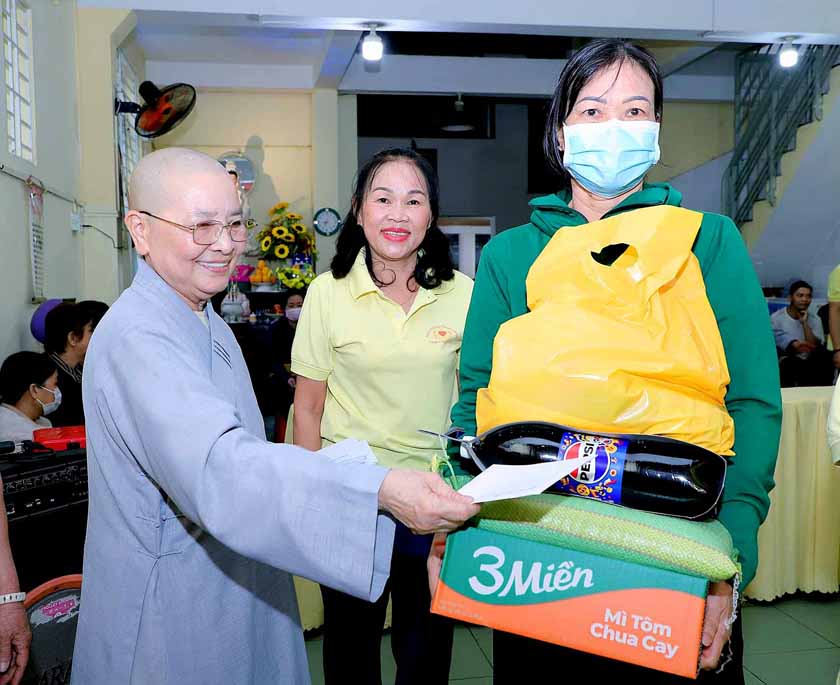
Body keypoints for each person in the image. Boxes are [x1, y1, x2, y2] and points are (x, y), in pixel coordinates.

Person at [439, 39, 781, 684]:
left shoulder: (706, 242)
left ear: (656, 128)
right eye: (592, 111)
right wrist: (456, 518)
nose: (615, 127)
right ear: (560, 133)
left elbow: (752, 403)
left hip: (676, 547)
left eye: (635, 110)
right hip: (541, 552)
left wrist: (729, 558)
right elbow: (476, 398)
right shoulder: (511, 255)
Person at [71, 147, 479, 684]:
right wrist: (376, 489)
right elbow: (222, 468)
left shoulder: (204, 318)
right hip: (172, 602)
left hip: (243, 574)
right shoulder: (138, 338)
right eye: (201, 226)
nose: (224, 244)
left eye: (234, 224)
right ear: (139, 230)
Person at [292, 148, 474, 684]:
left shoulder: (463, 293)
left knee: (426, 652)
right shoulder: (327, 294)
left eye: (413, 201)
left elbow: (474, 403)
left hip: (433, 498)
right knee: (351, 650)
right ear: (358, 209)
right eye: (383, 199)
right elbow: (308, 407)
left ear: (431, 214)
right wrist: (310, 500)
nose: (398, 214)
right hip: (353, 498)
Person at [42, 302, 97, 426]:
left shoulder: (79, 370)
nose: (97, 337)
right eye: (92, 331)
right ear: (73, 338)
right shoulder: (49, 379)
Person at [771, 280, 833, 386]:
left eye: (808, 296)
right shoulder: (776, 318)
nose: (804, 299)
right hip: (788, 361)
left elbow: (814, 345)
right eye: (800, 296)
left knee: (823, 357)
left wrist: (804, 323)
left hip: (810, 360)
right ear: (790, 298)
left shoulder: (815, 319)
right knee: (789, 363)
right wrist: (795, 345)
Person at [0, 352, 60, 442]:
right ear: (34, 390)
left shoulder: (37, 423)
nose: (57, 390)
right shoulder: (21, 436)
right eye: (55, 384)